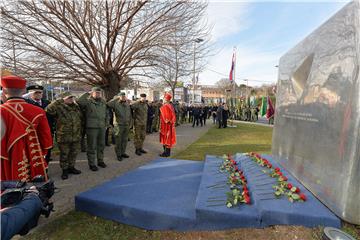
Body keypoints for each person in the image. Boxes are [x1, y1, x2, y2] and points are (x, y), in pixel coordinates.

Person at [0, 75, 52, 181]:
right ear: (24, 91)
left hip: (5, 158)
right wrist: (43, 154)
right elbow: (46, 139)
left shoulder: (1, 110)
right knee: (33, 188)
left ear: (4, 91)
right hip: (33, 156)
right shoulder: (38, 111)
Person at [46, 92, 82, 179]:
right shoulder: (58, 107)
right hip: (63, 136)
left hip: (76, 135)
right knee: (64, 154)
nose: (71, 99)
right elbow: (48, 109)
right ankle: (64, 170)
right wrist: (60, 100)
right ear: (64, 99)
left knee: (73, 153)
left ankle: (71, 167)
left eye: (72, 98)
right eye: (69, 98)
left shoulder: (76, 107)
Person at [77, 87, 108, 171]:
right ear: (92, 93)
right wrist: (87, 93)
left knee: (101, 145)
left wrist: (106, 124)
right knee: (92, 146)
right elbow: (79, 101)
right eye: (96, 93)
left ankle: (100, 161)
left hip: (101, 126)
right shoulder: (88, 102)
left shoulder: (103, 102)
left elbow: (106, 113)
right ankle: (92, 164)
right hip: (91, 127)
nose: (98, 94)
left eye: (99, 93)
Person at [24, 85, 54, 163]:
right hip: (33, 133)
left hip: (47, 131)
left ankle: (45, 170)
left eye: (40, 92)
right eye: (35, 93)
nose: (38, 94)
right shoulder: (26, 104)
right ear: (29, 93)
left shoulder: (47, 103)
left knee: (47, 151)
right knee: (34, 153)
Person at [107, 92, 132, 161]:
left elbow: (129, 114)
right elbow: (108, 104)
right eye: (122, 96)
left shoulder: (127, 103)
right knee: (118, 140)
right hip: (118, 125)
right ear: (119, 97)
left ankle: (123, 152)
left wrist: (130, 123)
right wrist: (116, 98)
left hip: (126, 124)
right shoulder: (115, 103)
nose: (123, 97)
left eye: (124, 96)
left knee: (124, 140)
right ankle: (118, 154)